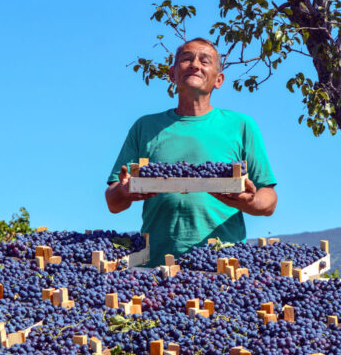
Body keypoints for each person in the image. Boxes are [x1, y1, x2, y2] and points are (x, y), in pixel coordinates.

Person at [105, 38, 277, 266]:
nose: (195, 65)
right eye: (187, 59)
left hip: (223, 266)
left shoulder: (241, 125)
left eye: (204, 61)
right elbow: (112, 202)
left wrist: (248, 200)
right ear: (172, 74)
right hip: (156, 265)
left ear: (219, 80)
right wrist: (124, 192)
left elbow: (269, 201)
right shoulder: (145, 127)